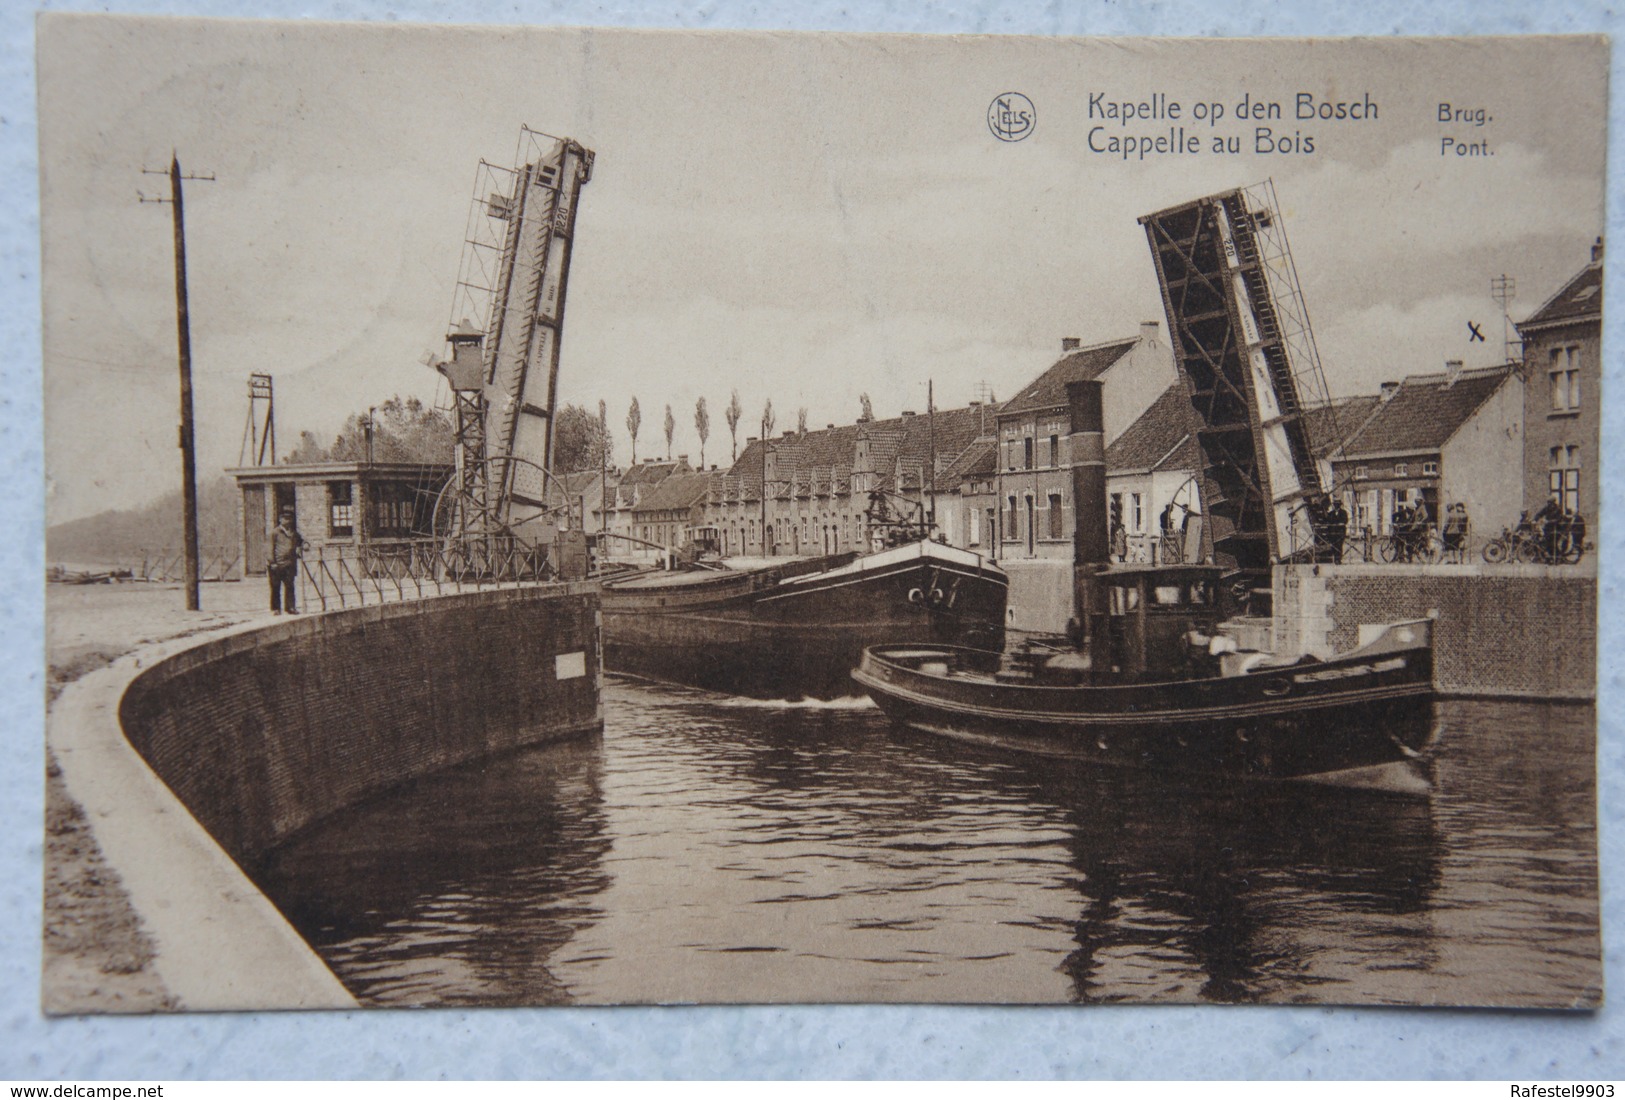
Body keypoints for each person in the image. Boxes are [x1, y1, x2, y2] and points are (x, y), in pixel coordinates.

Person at [267, 505, 304, 614]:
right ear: (280, 519)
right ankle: (276, 609)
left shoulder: (294, 533)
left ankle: (290, 607)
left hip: (290, 564)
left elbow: (302, 542)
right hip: (277, 564)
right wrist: (272, 562)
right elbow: (269, 548)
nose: (287, 520)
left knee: (290, 586)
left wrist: (302, 547)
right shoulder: (275, 532)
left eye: (289, 518)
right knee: (275, 587)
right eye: (285, 518)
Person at [1326, 497, 1349, 564]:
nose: (1336, 506)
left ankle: (1338, 559)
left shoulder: (1343, 512)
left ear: (1340, 505)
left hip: (1340, 532)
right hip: (1332, 533)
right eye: (1335, 504)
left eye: (1337, 504)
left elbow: (1345, 521)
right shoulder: (1331, 513)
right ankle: (1334, 559)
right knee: (1333, 545)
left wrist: (1339, 524)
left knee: (1339, 545)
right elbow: (1328, 521)